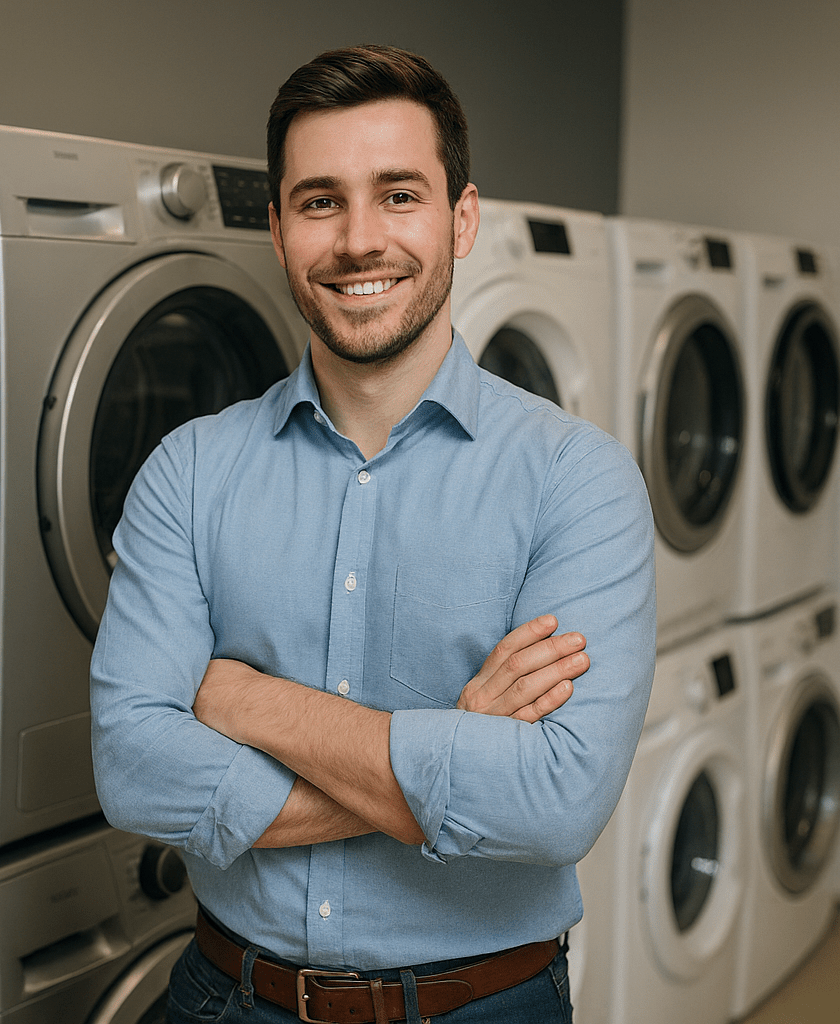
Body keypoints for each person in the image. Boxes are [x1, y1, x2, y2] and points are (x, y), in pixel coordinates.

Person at [89, 43, 655, 1024]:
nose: (359, 241)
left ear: (461, 218)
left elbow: (558, 802)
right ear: (277, 229)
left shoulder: (579, 479)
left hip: (483, 1005)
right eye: (321, 202)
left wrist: (248, 700)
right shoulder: (189, 471)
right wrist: (452, 755)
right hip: (227, 997)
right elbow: (134, 771)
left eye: (398, 195)